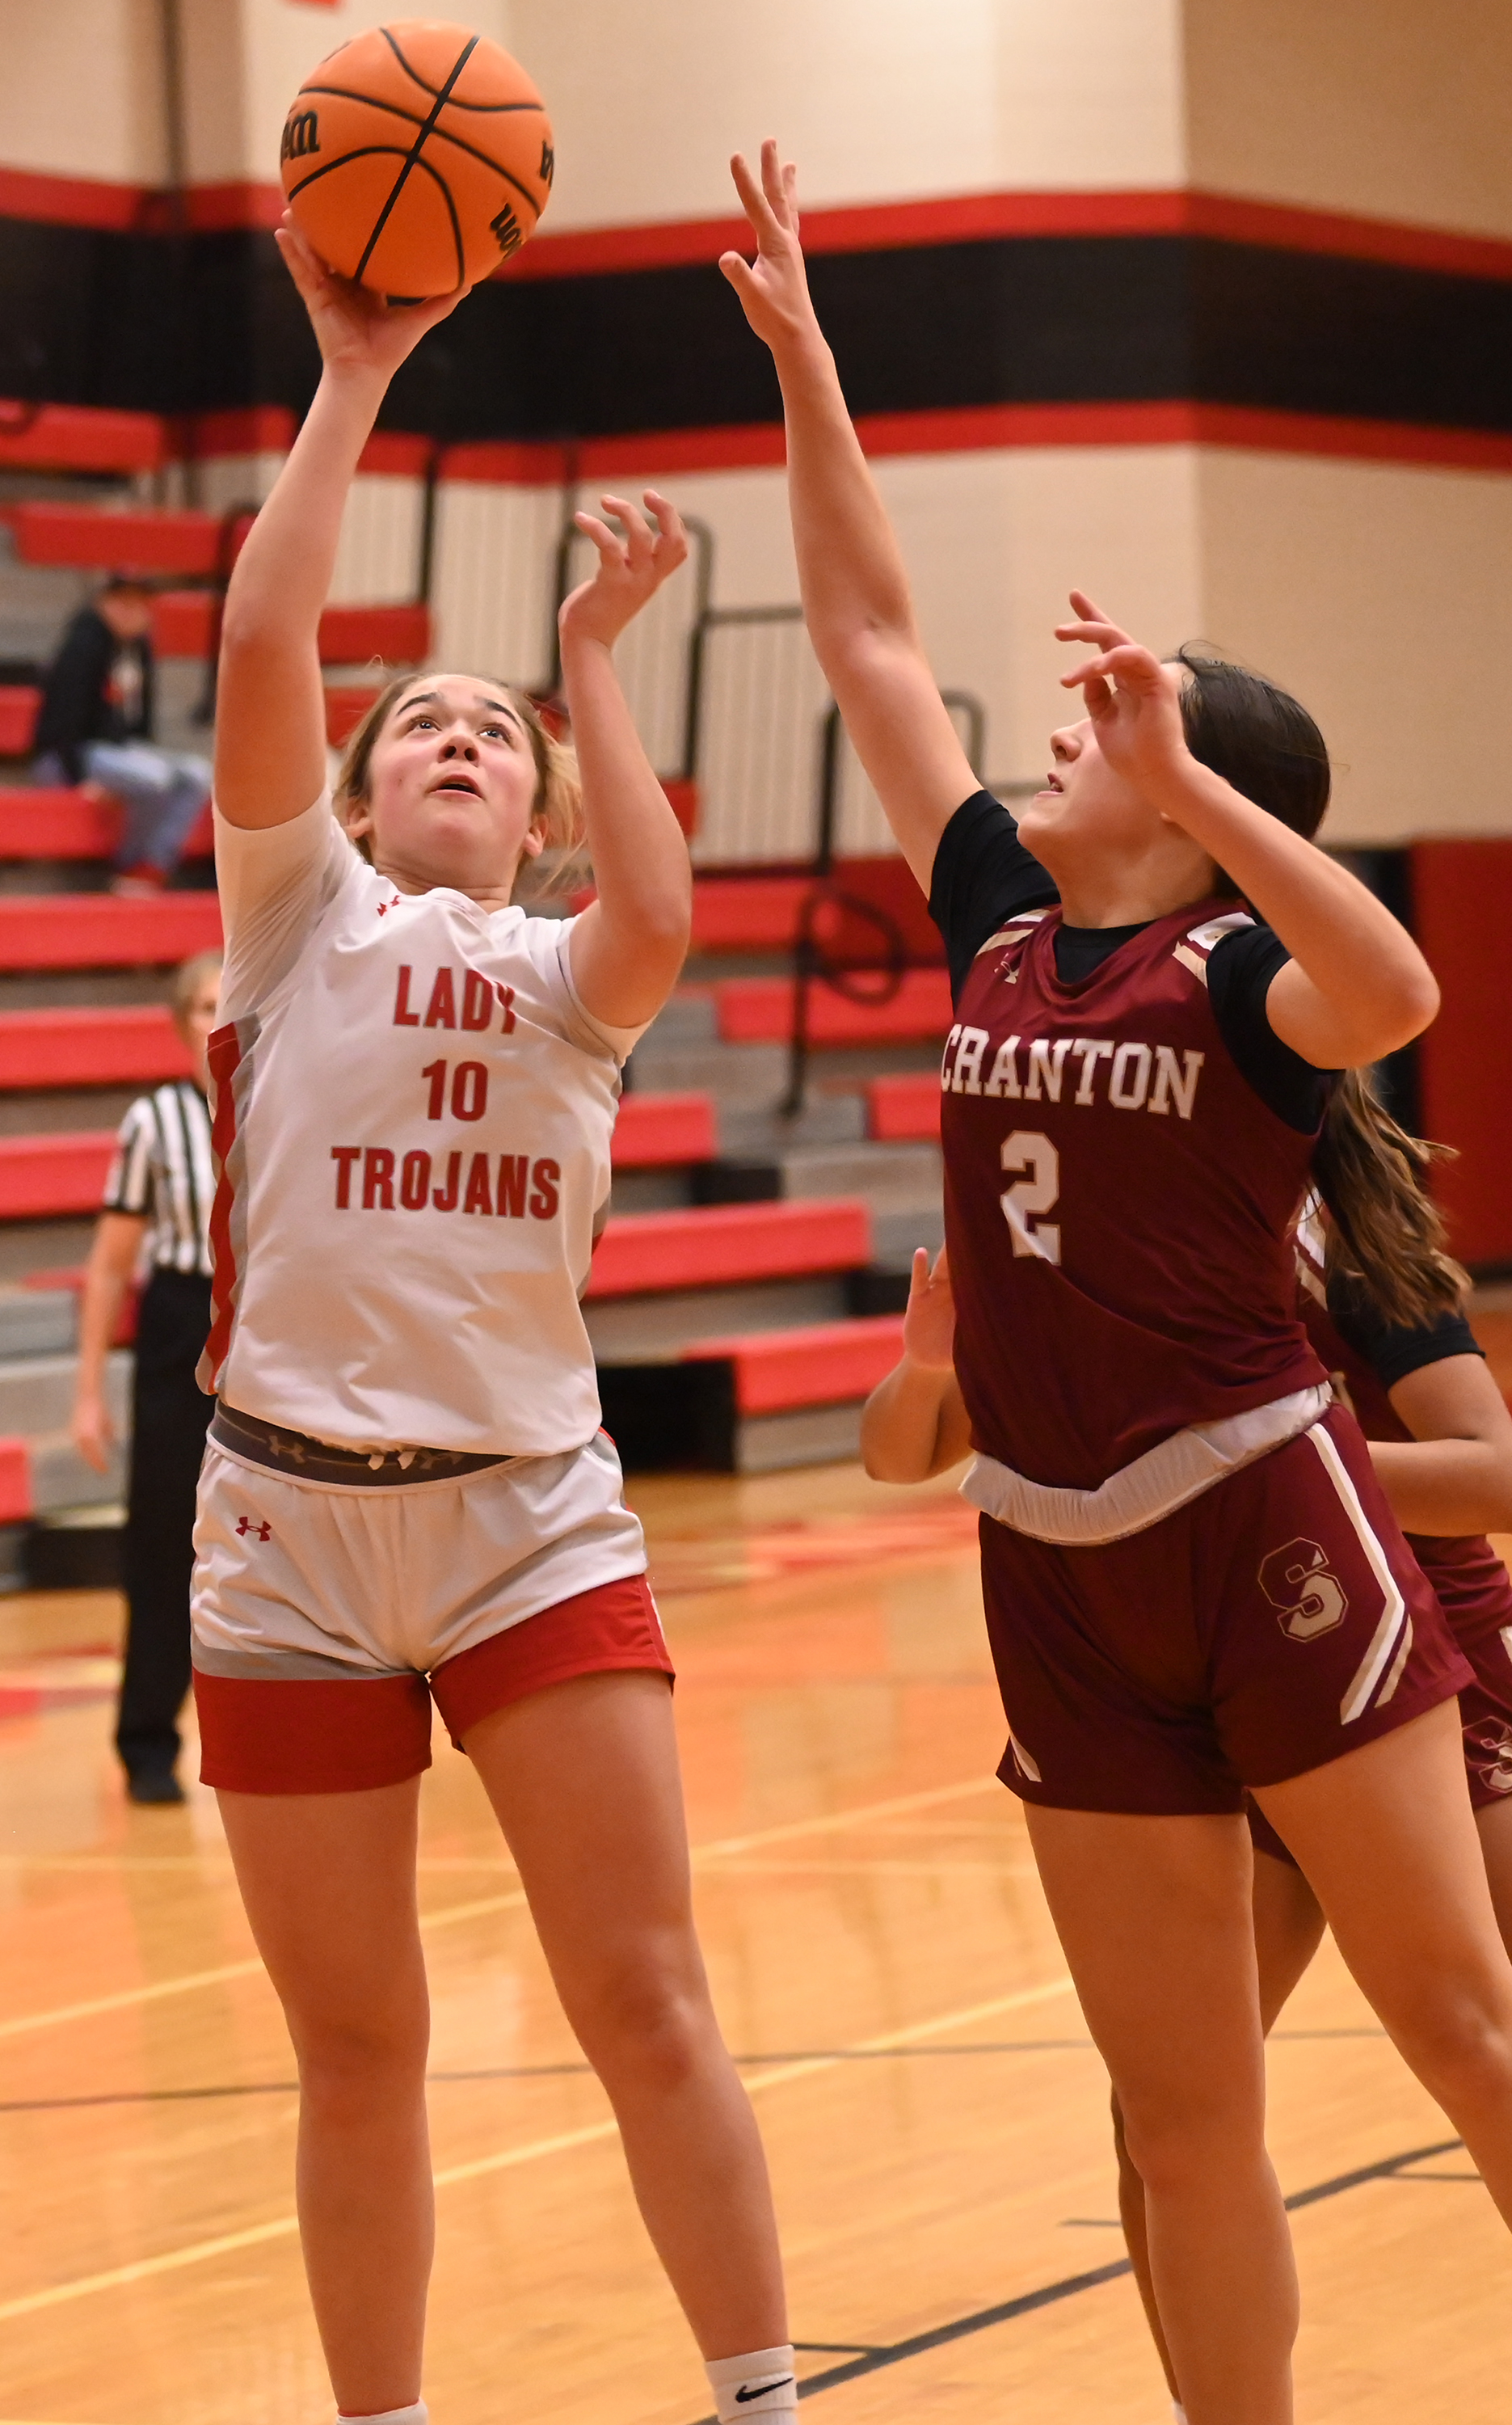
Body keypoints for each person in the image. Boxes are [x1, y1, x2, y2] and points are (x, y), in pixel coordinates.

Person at [724, 139, 1512, 2423]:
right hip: (1049, 1550)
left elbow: (1397, 980)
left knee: (1465, 2027)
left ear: (1205, 781)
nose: (1064, 735)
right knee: (1179, 2111)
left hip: (1266, 1521)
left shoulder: (1243, 980)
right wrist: (815, 370)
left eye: (1124, 718)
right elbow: (864, 639)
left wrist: (1201, 796)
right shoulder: (999, 920)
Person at [192, 217, 794, 2425]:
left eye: (494, 734)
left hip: (530, 1521)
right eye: (417, 724)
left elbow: (660, 907)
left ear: (532, 813)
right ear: (353, 804)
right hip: (287, 1545)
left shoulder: (567, 973)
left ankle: (759, 2399)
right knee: (359, 2050)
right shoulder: (297, 920)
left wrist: (592, 662)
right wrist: (354, 373)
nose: (454, 737)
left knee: (646, 1998)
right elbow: (270, 627)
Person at [865, 1162, 1512, 2419]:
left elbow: (1499, 1481)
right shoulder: (1077, 1248)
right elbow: (904, 1446)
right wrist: (936, 1365)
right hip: (1224, 1665)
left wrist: (1265, 1470)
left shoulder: (1340, 1238)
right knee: (1162, 2116)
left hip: (1421, 1643)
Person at [70, 948, 221, 1803]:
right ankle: (148, 1741)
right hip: (176, 1328)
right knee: (164, 1540)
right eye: (201, 1007)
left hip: (267, 1323)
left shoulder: (288, 1106)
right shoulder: (153, 1122)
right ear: (179, 1027)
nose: (215, 1019)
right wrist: (89, 1391)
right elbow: (107, 1266)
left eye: (227, 1004)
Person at [32, 576, 213, 894]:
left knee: (198, 775)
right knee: (154, 778)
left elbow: (139, 724)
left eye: (140, 604)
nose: (132, 613)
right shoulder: (84, 644)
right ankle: (127, 862)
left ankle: (151, 866)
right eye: (123, 603)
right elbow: (61, 722)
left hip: (120, 751)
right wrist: (80, 780)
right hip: (71, 756)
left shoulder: (138, 649)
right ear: (103, 603)